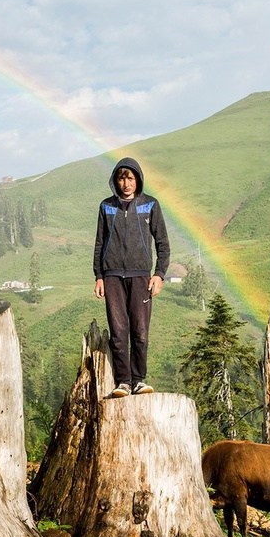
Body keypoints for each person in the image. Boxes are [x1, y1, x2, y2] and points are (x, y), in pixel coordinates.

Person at [93, 157, 170, 397]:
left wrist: (159, 275)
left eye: (130, 178)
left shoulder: (150, 205)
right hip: (112, 277)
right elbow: (99, 244)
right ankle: (123, 382)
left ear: (138, 180)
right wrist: (99, 276)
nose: (126, 184)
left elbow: (162, 243)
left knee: (140, 331)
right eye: (121, 178)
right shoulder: (106, 207)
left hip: (141, 277)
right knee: (118, 332)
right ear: (115, 181)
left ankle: (138, 380)